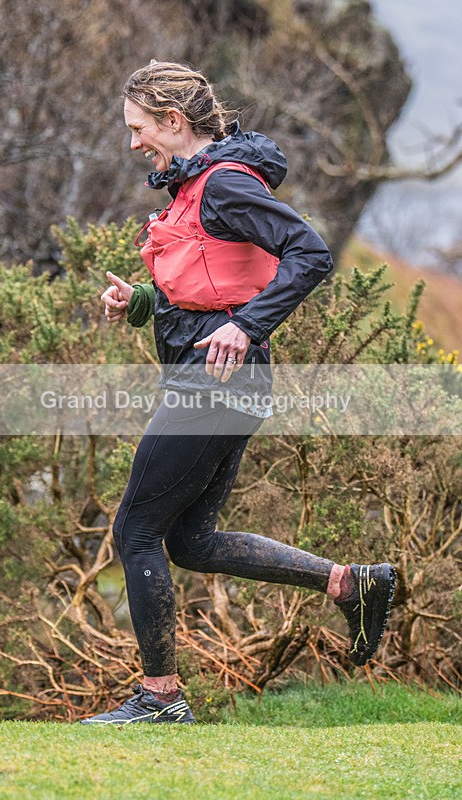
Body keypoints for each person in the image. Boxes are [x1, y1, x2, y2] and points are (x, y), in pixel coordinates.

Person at [80, 61, 396, 726]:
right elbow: (214, 283)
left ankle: (160, 700)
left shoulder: (223, 184)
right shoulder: (195, 188)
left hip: (219, 380)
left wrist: (245, 327)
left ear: (173, 121)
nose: (133, 141)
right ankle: (346, 582)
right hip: (228, 378)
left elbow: (308, 254)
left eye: (139, 128)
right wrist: (139, 301)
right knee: (188, 540)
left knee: (136, 530)